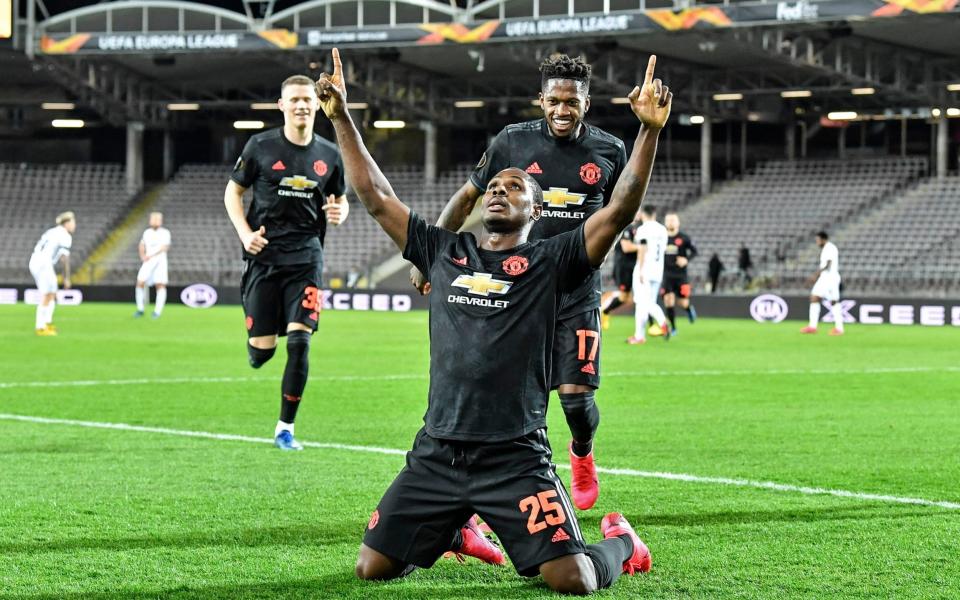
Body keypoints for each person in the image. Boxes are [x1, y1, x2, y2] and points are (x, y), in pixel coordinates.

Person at [316, 47, 671, 594]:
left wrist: (648, 131)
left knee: (572, 579)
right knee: (371, 570)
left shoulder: (552, 263)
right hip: (437, 452)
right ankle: (449, 530)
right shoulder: (442, 251)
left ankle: (623, 541)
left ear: (538, 210)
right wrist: (340, 116)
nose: (502, 190)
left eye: (517, 188)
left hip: (514, 458)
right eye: (496, 186)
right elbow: (374, 193)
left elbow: (619, 208)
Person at [409, 53, 629, 511]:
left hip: (575, 288)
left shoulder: (610, 151)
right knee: (506, 394)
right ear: (541, 100)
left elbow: (616, 214)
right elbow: (469, 196)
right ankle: (495, 489)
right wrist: (431, 257)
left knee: (575, 398)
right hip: (517, 289)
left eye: (572, 102)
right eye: (554, 101)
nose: (562, 110)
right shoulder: (512, 142)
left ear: (587, 103)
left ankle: (582, 452)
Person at [224, 73, 350, 451]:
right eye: (293, 99)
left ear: (316, 105)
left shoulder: (329, 154)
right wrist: (245, 234)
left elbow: (339, 198)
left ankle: (285, 428)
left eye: (307, 100)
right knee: (261, 353)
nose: (300, 105)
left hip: (307, 257)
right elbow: (233, 193)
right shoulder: (260, 146)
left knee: (300, 342)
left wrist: (340, 211)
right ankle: (259, 345)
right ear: (282, 105)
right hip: (264, 257)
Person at [625, 205, 669, 345]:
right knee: (643, 304)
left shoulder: (643, 229)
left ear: (644, 214)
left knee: (644, 302)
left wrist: (641, 269)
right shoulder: (662, 229)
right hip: (658, 270)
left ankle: (662, 322)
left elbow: (642, 249)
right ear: (654, 214)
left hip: (645, 269)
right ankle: (639, 336)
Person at [29, 211, 75, 336]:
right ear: (66, 223)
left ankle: (47, 323)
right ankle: (40, 327)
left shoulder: (52, 231)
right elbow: (64, 259)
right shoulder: (65, 236)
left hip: (35, 261)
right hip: (44, 263)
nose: (74, 225)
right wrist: (66, 278)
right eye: (72, 222)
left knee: (52, 293)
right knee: (47, 295)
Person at [599, 212, 640, 331]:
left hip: (632, 267)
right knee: (624, 297)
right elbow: (626, 247)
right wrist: (644, 247)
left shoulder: (636, 229)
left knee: (638, 296)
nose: (638, 213)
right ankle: (605, 312)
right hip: (624, 269)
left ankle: (651, 325)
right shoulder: (626, 227)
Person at [661, 212, 697, 335]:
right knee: (668, 300)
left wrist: (686, 259)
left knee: (682, 302)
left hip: (681, 275)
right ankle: (674, 327)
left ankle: (688, 309)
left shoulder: (684, 238)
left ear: (678, 222)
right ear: (665, 222)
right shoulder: (661, 237)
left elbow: (694, 251)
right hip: (666, 274)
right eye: (668, 220)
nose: (670, 222)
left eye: (673, 220)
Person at [801, 231, 844, 336]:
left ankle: (837, 328)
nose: (817, 242)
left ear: (823, 239)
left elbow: (828, 264)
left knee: (828, 300)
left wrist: (816, 275)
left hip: (830, 277)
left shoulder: (830, 248)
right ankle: (814, 326)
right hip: (827, 277)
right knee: (820, 298)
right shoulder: (827, 248)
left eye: (818, 240)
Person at [134, 212, 171, 319]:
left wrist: (151, 255)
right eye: (153, 219)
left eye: (157, 219)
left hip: (160, 262)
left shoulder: (165, 232)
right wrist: (142, 255)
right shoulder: (147, 232)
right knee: (140, 282)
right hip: (148, 261)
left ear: (160, 221)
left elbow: (165, 247)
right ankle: (140, 309)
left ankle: (157, 311)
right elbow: (142, 244)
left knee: (160, 285)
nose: (154, 221)